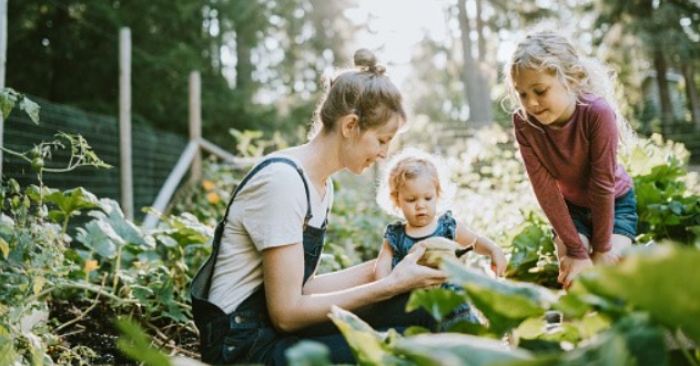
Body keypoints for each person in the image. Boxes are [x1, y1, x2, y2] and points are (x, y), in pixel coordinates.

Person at [190, 49, 448, 365]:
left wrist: (393, 264)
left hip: (273, 332)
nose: (384, 154)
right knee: (406, 346)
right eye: (382, 140)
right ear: (351, 125)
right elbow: (286, 313)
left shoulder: (320, 185)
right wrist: (389, 285)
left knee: (427, 306)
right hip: (244, 349)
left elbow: (303, 286)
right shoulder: (283, 182)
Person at [502, 29, 638, 290]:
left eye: (540, 91)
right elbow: (545, 190)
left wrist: (601, 249)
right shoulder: (524, 123)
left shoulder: (597, 113)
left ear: (572, 80)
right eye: (522, 94)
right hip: (570, 209)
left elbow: (602, 184)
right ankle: (572, 331)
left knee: (607, 278)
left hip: (615, 202)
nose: (531, 103)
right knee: (575, 280)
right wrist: (576, 251)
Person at [374, 148, 508, 329]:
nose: (420, 205)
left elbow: (474, 241)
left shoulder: (447, 227)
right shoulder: (395, 236)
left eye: (428, 198)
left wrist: (493, 250)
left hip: (454, 306)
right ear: (397, 200)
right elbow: (382, 270)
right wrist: (385, 289)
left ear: (437, 195)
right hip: (417, 310)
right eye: (411, 200)